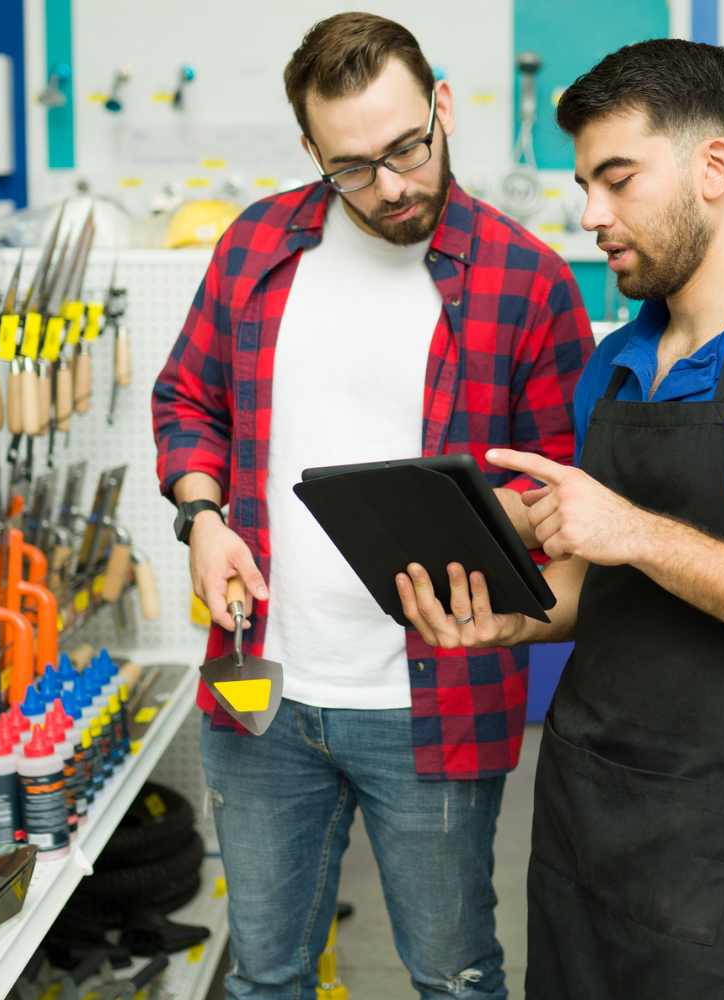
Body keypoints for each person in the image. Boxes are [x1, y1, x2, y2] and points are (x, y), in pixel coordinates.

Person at [396, 38, 724, 1000]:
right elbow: (595, 591)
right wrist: (513, 617)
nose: (590, 215)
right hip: (582, 818)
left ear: (713, 168)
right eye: (584, 184)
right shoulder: (613, 363)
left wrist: (635, 529)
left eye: (618, 179)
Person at [152, 13, 593, 999]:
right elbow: (188, 396)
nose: (393, 186)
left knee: (453, 974)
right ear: (311, 150)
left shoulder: (528, 283)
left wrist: (499, 515)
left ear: (441, 105)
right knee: (265, 974)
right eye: (354, 167)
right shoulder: (258, 244)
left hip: (432, 703)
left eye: (407, 148)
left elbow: (566, 490)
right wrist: (203, 513)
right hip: (262, 693)